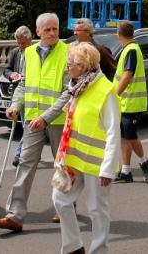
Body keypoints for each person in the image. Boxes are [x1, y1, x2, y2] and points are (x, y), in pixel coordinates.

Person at [0, 12, 70, 232]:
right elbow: (24, 85)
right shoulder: (30, 53)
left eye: (55, 28)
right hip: (32, 120)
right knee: (25, 165)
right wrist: (15, 106)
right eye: (48, 30)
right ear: (38, 32)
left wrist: (46, 117)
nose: (53, 33)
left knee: (61, 166)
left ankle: (65, 207)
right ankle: (14, 216)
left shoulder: (68, 52)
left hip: (57, 120)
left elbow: (68, 91)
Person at [51, 42, 120, 254]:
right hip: (74, 159)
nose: (67, 68)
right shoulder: (78, 86)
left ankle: (98, 250)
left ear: (83, 66)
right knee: (60, 199)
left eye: (70, 64)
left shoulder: (105, 90)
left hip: (97, 164)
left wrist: (108, 169)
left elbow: (113, 132)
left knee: (96, 210)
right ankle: (73, 246)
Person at [114, 20, 148, 183]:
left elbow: (127, 76)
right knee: (124, 137)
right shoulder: (128, 49)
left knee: (130, 136)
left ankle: (143, 161)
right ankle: (126, 171)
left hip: (131, 102)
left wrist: (115, 94)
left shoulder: (131, 50)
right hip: (125, 101)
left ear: (118, 34)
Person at [6, 25, 33, 167]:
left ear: (30, 39)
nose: (21, 45)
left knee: (27, 126)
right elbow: (7, 69)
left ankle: (19, 155)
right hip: (19, 92)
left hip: (32, 94)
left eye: (23, 43)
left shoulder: (36, 53)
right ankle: (27, 153)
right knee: (26, 126)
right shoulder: (15, 52)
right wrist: (12, 74)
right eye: (18, 43)